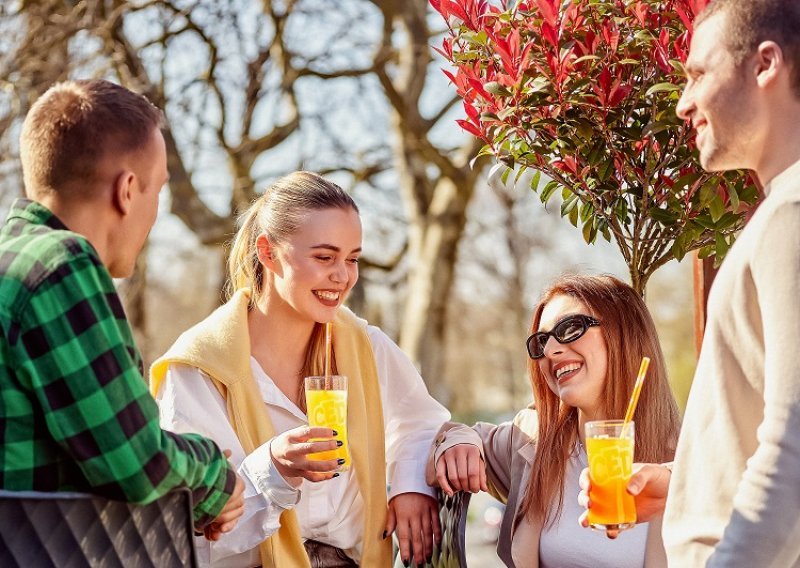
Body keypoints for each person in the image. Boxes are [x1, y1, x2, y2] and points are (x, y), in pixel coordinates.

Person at [579, 1, 800, 565]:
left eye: (698, 74)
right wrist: (686, 481)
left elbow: (793, 444)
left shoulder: (790, 216)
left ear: (765, 64)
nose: (683, 102)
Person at [150, 171, 450, 568]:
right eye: (324, 257)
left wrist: (410, 487)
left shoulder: (364, 346)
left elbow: (421, 423)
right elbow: (189, 529)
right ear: (268, 252)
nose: (342, 276)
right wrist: (273, 469)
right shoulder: (200, 368)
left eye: (352, 259)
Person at [0, 79, 244, 538]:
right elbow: (136, 463)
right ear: (128, 190)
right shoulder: (59, 265)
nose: (157, 213)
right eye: (159, 190)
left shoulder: (12, 261)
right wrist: (215, 477)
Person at [428, 274, 681, 568]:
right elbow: (448, 439)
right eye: (541, 341)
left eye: (571, 328)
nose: (549, 351)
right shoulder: (533, 440)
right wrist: (458, 443)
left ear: (624, 333)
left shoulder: (689, 455)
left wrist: (676, 485)